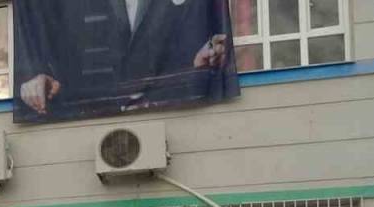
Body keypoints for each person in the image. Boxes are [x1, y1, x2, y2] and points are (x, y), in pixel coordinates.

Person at [13, 0, 236, 121]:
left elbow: (181, 48)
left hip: (169, 117)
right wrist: (35, 73)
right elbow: (36, 28)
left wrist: (196, 63)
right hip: (87, 122)